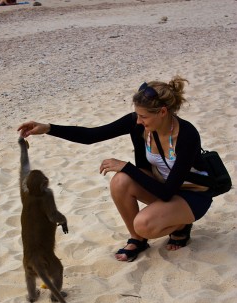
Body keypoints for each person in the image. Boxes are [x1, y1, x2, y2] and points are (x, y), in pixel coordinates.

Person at [18, 76, 213, 262]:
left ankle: (182, 226)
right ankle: (137, 240)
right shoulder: (138, 125)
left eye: (143, 116)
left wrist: (127, 166)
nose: (138, 121)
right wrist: (48, 128)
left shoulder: (187, 135)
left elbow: (167, 192)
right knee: (120, 181)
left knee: (143, 223)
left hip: (192, 195)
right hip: (162, 188)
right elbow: (91, 136)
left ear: (162, 112)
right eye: (137, 115)